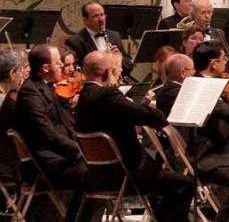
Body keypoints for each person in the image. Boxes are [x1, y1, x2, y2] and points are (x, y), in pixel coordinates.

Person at [73, 50, 196, 222]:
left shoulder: (83, 97)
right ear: (108, 72)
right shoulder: (107, 95)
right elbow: (142, 114)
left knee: (164, 183)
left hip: (98, 175)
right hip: (126, 173)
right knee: (185, 184)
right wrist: (160, 118)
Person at [154, 53, 229, 222]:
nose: (196, 74)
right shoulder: (180, 92)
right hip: (198, 157)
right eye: (193, 70)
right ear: (184, 73)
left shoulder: (172, 90)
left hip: (209, 151)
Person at [14, 44, 88, 220]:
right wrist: (78, 151)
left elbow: (67, 124)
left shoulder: (46, 87)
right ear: (45, 68)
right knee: (97, 175)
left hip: (60, 157)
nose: (62, 66)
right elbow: (47, 134)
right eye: (58, 63)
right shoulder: (30, 93)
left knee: (102, 172)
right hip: (48, 161)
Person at [64, 1, 133, 77]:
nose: (101, 20)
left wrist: (118, 58)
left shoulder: (114, 36)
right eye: (95, 16)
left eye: (102, 15)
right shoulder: (75, 42)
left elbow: (129, 66)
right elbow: (77, 71)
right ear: (85, 20)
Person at [0, 49, 28, 196]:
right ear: (12, 73)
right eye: (20, 72)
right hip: (8, 167)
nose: (22, 76)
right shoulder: (8, 104)